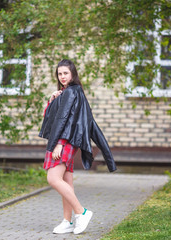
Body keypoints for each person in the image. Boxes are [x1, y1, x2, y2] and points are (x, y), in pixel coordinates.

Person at [39, 59, 116, 235]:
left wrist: (59, 143)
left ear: (73, 73)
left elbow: (67, 121)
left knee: (53, 178)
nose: (62, 76)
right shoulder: (70, 92)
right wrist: (52, 99)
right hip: (68, 141)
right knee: (66, 182)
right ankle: (67, 221)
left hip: (64, 142)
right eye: (60, 73)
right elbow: (52, 118)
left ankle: (82, 212)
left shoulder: (72, 92)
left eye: (66, 73)